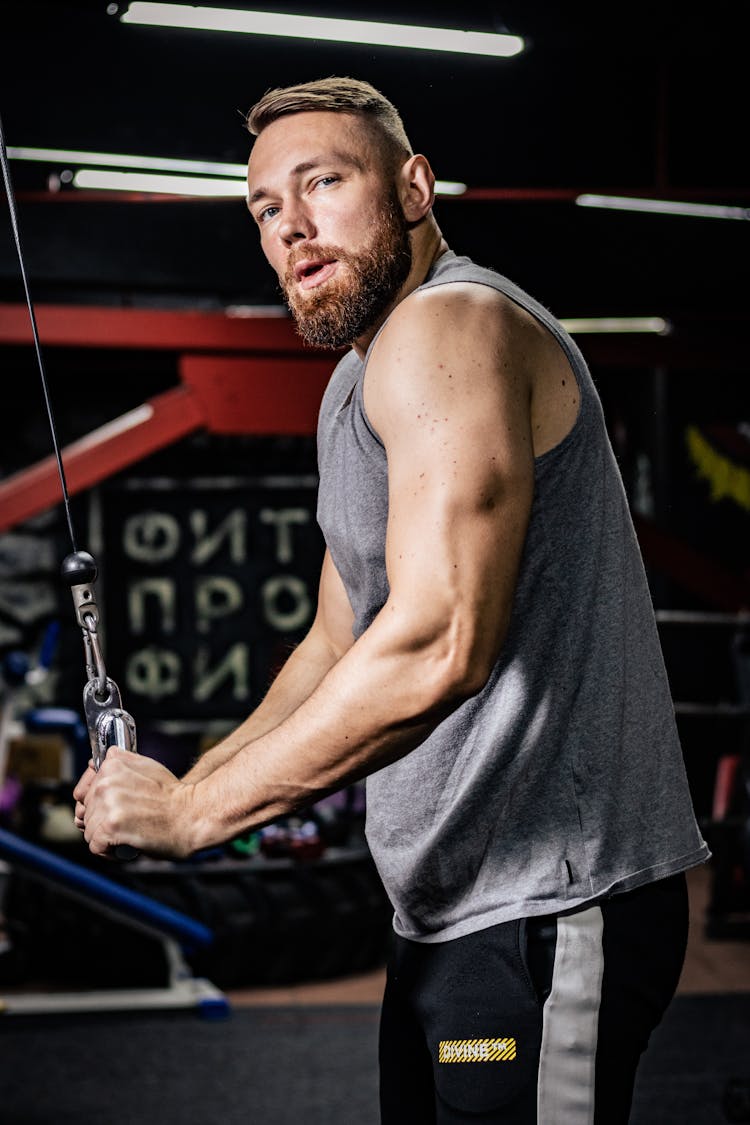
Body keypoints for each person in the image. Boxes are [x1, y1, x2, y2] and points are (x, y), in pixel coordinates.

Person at [74, 77, 710, 1123]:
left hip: (553, 904)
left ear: (413, 187)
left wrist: (195, 815)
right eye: (267, 210)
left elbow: (438, 644)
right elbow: (339, 641)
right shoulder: (356, 382)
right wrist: (185, 781)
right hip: (448, 910)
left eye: (323, 183)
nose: (292, 229)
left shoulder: (450, 327)